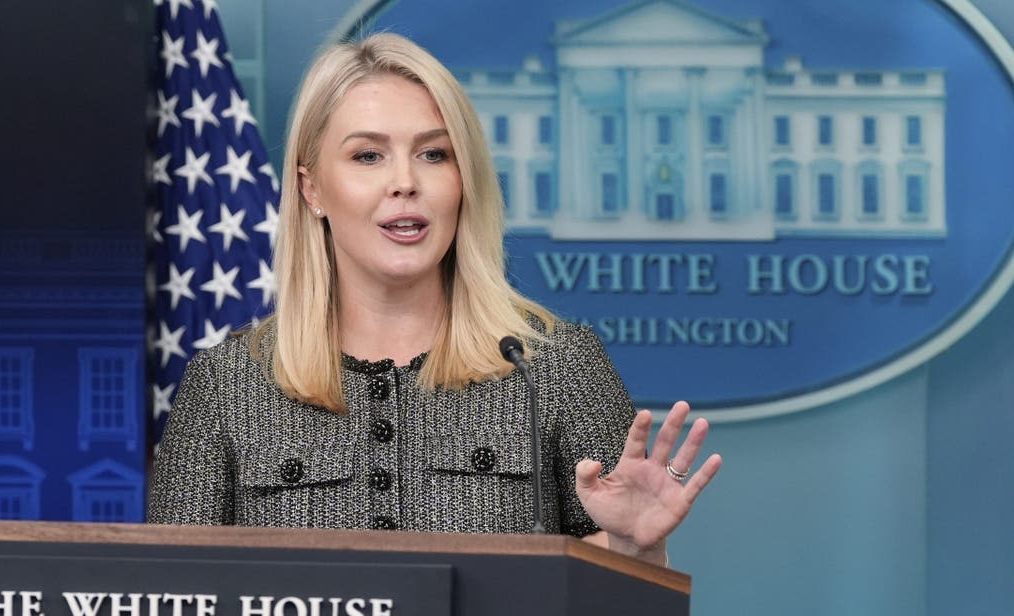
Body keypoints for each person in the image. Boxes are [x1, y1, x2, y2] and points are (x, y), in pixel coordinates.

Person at [147, 33, 721, 566]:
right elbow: (171, 610)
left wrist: (629, 542)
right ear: (311, 187)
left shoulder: (556, 368)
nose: (405, 182)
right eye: (368, 156)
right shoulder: (225, 386)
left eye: (434, 154)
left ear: (463, 182)